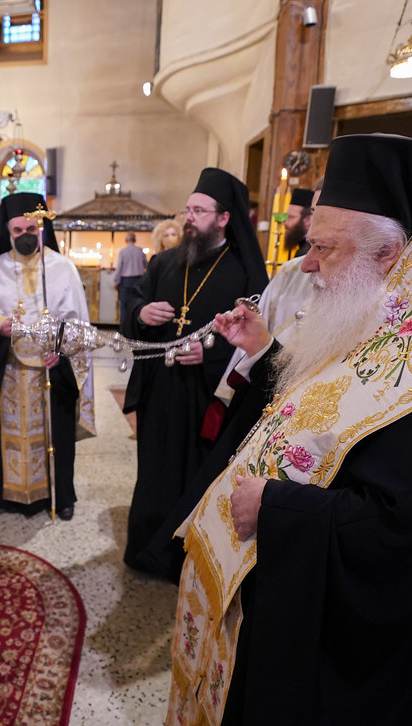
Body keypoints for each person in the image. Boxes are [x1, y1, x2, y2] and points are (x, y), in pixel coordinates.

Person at [168, 134, 412, 725]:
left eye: (324, 248)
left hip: (352, 674)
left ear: (389, 255)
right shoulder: (385, 312)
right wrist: (265, 354)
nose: (307, 265)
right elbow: (322, 410)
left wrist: (278, 509)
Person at [120, 168, 267, 577]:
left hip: (208, 396)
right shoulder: (166, 262)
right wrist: (141, 313)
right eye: (188, 209)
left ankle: (183, 558)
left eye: (199, 211)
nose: (189, 217)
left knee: (195, 475)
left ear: (223, 218)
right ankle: (144, 548)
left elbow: (258, 338)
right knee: (153, 471)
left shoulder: (246, 273)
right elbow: (134, 301)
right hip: (161, 389)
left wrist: (212, 358)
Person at [0, 192, 95, 521]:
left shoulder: (62, 268)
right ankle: (7, 496)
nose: (25, 235)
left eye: (31, 229)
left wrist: (62, 352)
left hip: (50, 374)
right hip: (6, 371)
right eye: (17, 230)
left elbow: (80, 323)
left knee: (57, 433)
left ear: (42, 229)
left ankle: (60, 495)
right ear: (7, 232)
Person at [113, 232, 147, 326]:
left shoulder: (123, 252)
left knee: (124, 306)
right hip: (139, 281)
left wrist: (116, 281)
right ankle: (135, 328)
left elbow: (119, 268)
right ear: (135, 240)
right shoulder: (140, 251)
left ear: (126, 240)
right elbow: (147, 266)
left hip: (125, 281)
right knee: (137, 306)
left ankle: (124, 329)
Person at [280, 186, 315, 259]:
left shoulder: (309, 252)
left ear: (308, 220)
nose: (285, 223)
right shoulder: (302, 247)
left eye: (291, 217)